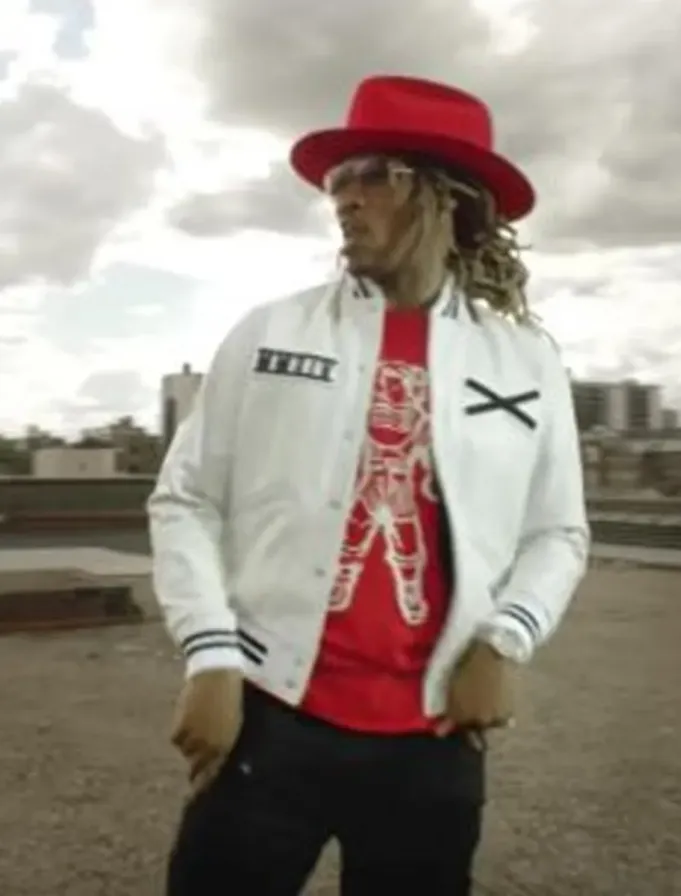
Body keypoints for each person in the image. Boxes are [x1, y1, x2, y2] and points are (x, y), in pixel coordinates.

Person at [148, 74, 589, 896]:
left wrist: (504, 641)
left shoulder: (524, 362)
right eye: (338, 180)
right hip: (268, 716)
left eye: (376, 176)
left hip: (434, 740)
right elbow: (187, 499)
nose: (345, 199)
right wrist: (209, 654)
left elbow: (556, 531)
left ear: (447, 198)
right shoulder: (271, 332)